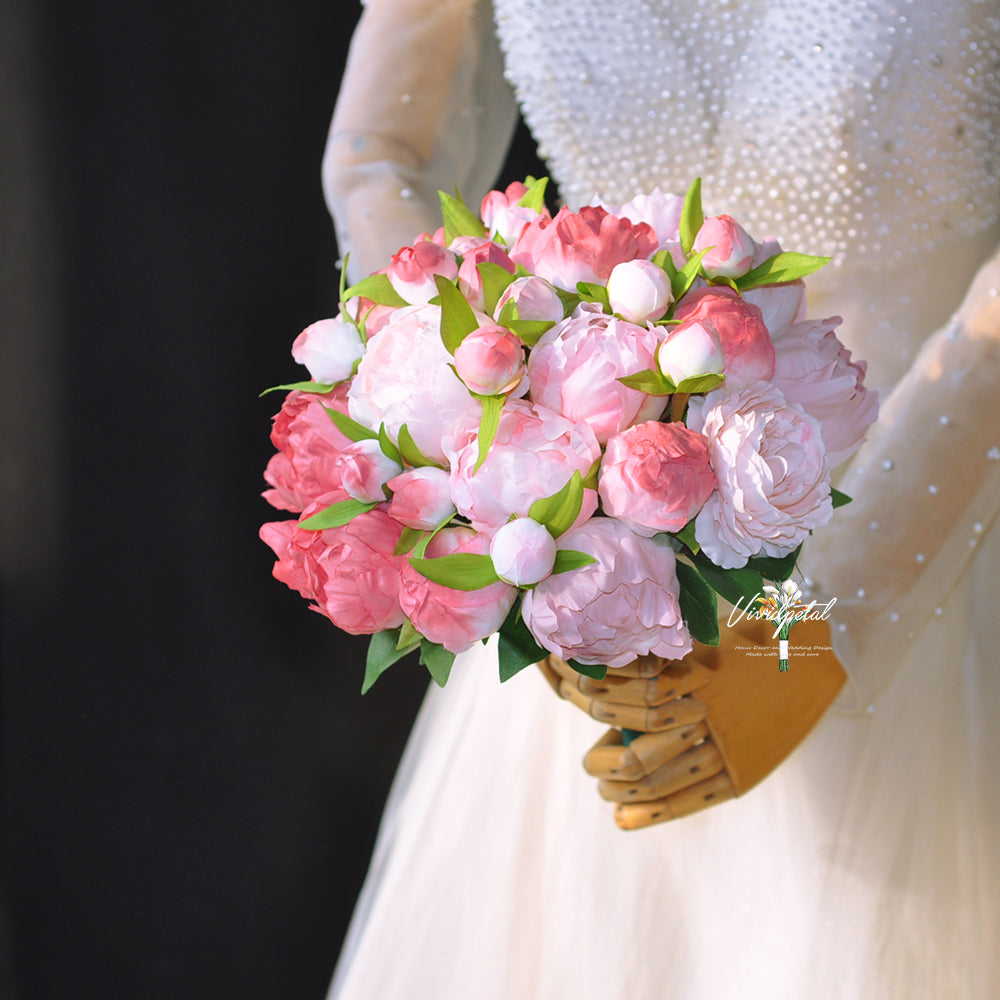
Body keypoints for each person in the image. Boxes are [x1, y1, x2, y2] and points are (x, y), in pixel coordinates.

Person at [320, 1, 1000, 996]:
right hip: (604, 589)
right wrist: (490, 462)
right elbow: (375, 154)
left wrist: (825, 622)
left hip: (933, 525)